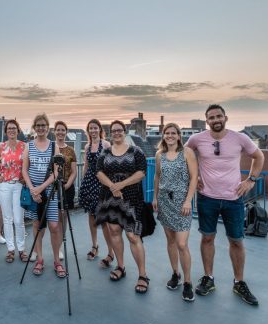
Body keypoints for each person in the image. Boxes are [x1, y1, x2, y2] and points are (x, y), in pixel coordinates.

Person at [185, 104, 264, 305]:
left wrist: (251, 180)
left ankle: (239, 282)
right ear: (207, 121)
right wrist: (192, 177)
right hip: (206, 197)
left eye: (219, 116)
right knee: (207, 238)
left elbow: (259, 156)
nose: (215, 120)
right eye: (211, 117)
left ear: (225, 118)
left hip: (233, 199)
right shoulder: (196, 139)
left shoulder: (240, 138)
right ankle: (208, 278)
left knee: (236, 240)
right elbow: (182, 155)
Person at [96, 120, 149, 293]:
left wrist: (121, 185)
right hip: (110, 198)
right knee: (114, 232)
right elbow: (99, 172)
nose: (117, 133)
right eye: (114, 131)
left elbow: (141, 172)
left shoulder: (136, 151)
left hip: (131, 198)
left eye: (120, 130)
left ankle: (143, 275)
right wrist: (112, 186)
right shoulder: (105, 152)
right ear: (110, 133)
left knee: (133, 236)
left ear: (124, 131)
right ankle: (120, 266)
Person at [152, 123, 198, 302]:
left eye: (173, 133)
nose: (170, 136)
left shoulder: (187, 153)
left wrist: (188, 200)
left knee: (181, 244)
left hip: (182, 203)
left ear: (179, 136)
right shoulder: (159, 155)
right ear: (163, 136)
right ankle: (175, 274)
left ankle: (187, 282)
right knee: (170, 240)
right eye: (167, 133)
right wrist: (155, 198)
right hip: (164, 201)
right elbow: (157, 176)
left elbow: (194, 177)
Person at [22, 114, 64, 278]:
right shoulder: (29, 146)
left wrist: (41, 188)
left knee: (54, 226)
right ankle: (40, 259)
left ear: (48, 128)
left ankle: (56, 261)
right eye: (38, 125)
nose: (40, 128)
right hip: (34, 193)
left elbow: (56, 172)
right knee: (37, 226)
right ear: (34, 127)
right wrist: (33, 189)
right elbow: (25, 169)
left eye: (43, 125)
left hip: (50, 192)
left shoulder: (55, 146)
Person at [77, 118, 113, 266]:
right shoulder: (87, 146)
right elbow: (86, 165)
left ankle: (111, 252)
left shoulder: (106, 145)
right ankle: (95, 245)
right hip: (89, 183)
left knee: (103, 219)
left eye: (95, 128)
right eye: (90, 128)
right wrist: (82, 183)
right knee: (92, 216)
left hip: (101, 184)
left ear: (99, 129)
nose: (93, 131)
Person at [0, 119, 26, 263]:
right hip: (4, 185)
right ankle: (10, 250)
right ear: (6, 131)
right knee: (7, 218)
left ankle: (22, 249)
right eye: (9, 128)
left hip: (19, 185)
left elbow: (27, 166)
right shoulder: (1, 146)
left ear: (18, 130)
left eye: (14, 128)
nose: (12, 130)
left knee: (19, 219)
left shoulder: (24, 146)